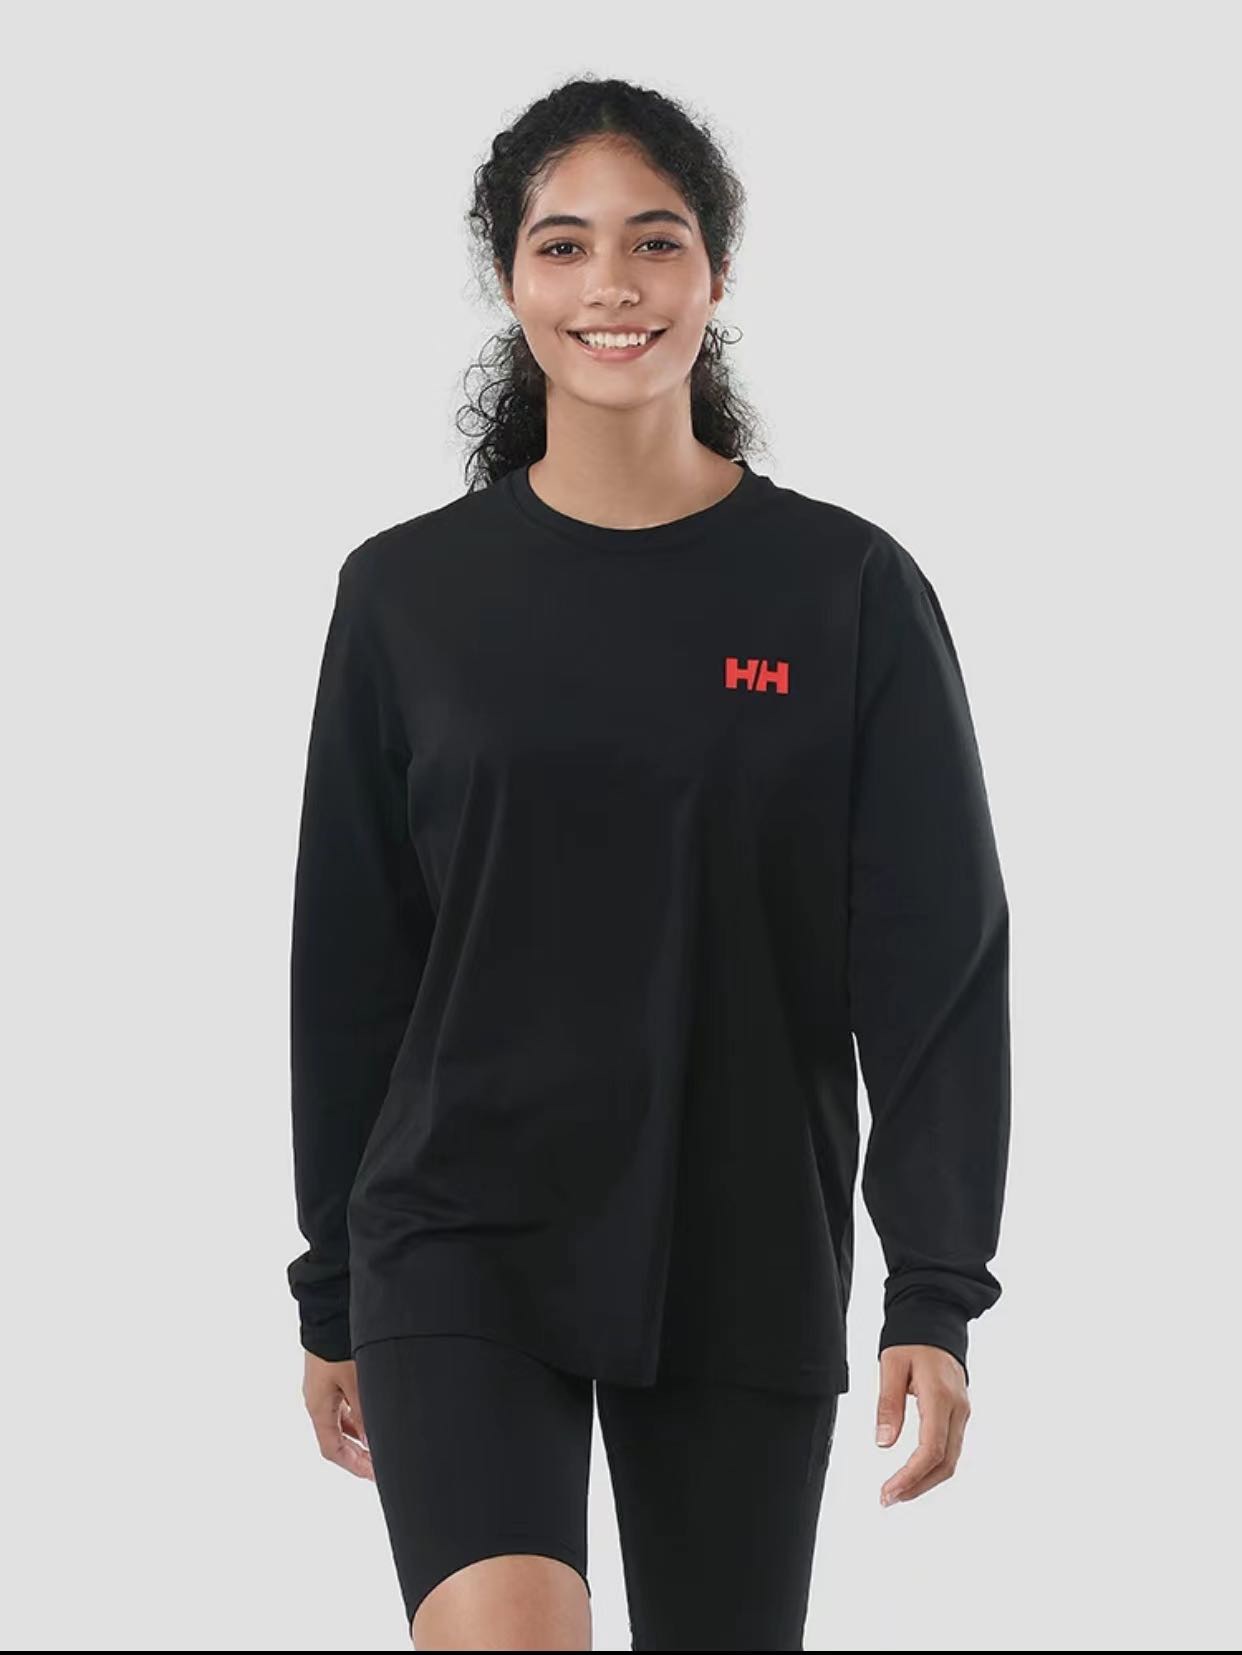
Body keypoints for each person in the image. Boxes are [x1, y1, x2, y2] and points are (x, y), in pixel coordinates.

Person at [285, 74, 1011, 1652]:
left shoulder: (843, 590)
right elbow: (351, 963)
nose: (608, 285)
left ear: (715, 272)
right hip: (456, 1236)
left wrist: (935, 1287)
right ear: (509, 279)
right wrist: (330, 1280)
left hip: (738, 1235)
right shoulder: (406, 597)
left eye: (653, 241)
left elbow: (934, 962)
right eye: (562, 245)